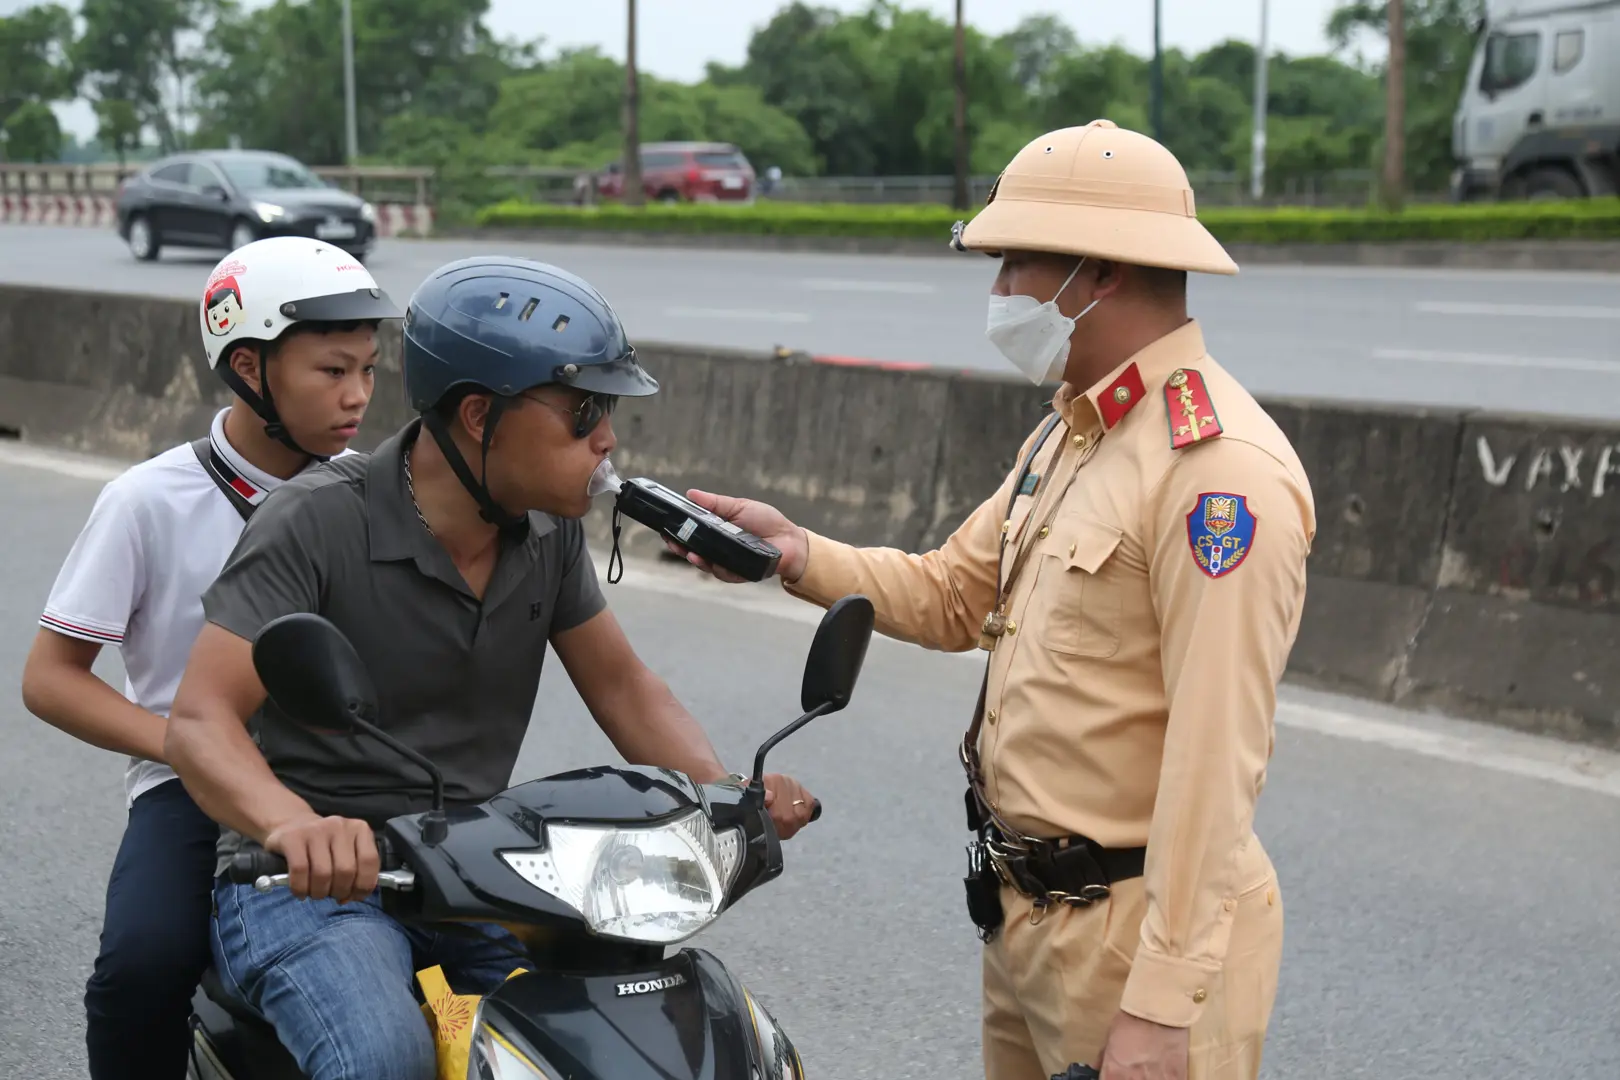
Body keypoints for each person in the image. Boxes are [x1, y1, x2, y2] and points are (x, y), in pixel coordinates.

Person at [668, 119, 1317, 1080]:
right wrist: (797, 553)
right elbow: (952, 593)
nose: (999, 290)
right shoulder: (1073, 433)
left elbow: (1217, 763)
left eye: (1014, 260)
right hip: (1026, 920)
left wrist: (1161, 1005)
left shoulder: (1217, 476)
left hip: (1134, 940)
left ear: (1097, 271)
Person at [161, 255, 820, 1080]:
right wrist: (295, 826)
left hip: (471, 876)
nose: (607, 438)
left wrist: (729, 795)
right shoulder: (316, 521)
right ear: (479, 415)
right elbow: (201, 720)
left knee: (594, 1043)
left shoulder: (545, 537)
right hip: (307, 888)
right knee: (385, 1057)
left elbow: (622, 685)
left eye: (608, 412)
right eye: (584, 412)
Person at [19, 235, 401, 1080]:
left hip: (351, 781)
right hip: (189, 788)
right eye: (332, 371)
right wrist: (187, 745)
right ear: (249, 368)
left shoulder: (378, 494)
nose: (359, 396)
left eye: (369, 370)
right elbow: (49, 679)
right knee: (140, 967)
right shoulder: (149, 500)